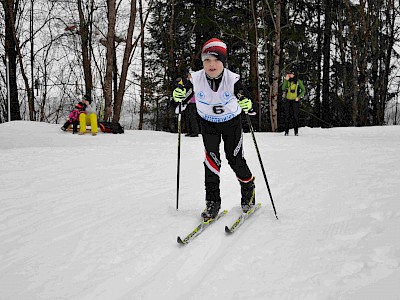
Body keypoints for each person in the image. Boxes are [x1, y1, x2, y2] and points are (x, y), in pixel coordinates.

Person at [172, 38, 255, 220]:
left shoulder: (233, 80)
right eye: (207, 60)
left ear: (223, 62)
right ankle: (212, 202)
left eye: (216, 60)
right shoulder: (195, 79)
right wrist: (177, 98)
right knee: (211, 161)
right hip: (208, 124)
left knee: (234, 159)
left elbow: (249, 103)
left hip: (231, 123)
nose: (211, 64)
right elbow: (179, 104)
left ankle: (248, 190)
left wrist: (248, 104)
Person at [282, 70, 306, 136]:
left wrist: (299, 97)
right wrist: (286, 80)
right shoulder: (288, 81)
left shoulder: (298, 82)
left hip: (295, 101)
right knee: (287, 116)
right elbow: (283, 88)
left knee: (295, 116)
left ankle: (296, 132)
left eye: (291, 74)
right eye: (289, 74)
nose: (290, 75)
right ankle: (286, 132)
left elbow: (303, 90)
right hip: (288, 100)